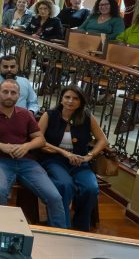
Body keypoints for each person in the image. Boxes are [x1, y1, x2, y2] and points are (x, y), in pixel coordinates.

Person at [0, 79, 69, 229]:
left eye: (13, 93)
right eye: (5, 92)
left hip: (27, 162)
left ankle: (59, 235)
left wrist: (26, 146)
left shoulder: (25, 114)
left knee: (54, 196)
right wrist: (0, 146)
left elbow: (40, 139)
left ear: (19, 95)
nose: (9, 96)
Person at [39, 85, 108, 231]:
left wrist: (89, 156)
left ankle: (81, 226)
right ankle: (61, 227)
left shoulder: (87, 117)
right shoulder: (49, 115)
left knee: (91, 188)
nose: (70, 101)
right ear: (61, 99)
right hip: (54, 160)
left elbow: (103, 140)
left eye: (75, 98)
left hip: (79, 161)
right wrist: (64, 152)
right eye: (67, 97)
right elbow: (38, 140)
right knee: (65, 185)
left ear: (81, 102)